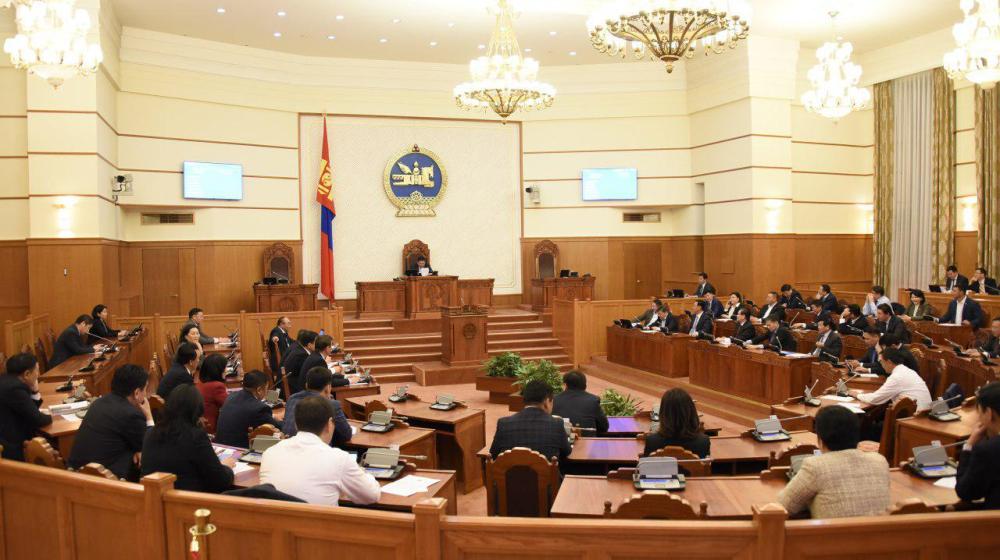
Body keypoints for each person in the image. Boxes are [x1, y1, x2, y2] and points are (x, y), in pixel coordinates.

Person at [260, 395, 380, 506]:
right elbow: (372, 495)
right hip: (318, 522)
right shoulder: (339, 459)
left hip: (276, 521)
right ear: (329, 424)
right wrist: (363, 472)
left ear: (296, 424)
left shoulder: (270, 452)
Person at [777, 405, 890, 519]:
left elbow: (785, 505)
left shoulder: (816, 466)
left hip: (835, 531)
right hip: (881, 530)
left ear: (820, 440)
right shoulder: (879, 461)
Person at [140, 384, 235, 492]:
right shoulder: (195, 436)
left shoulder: (150, 433)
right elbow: (221, 481)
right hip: (186, 500)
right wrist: (227, 467)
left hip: (150, 498)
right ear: (197, 410)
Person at [68, 365, 153, 480]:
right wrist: (149, 416)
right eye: (145, 389)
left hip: (74, 473)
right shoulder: (131, 414)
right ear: (137, 393)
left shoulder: (98, 402)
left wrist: (138, 449)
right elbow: (151, 447)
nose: (146, 395)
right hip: (101, 481)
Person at [489, 380, 571, 462]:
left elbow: (493, 454)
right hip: (544, 470)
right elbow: (567, 452)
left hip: (511, 470)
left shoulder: (504, 423)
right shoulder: (556, 424)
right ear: (546, 401)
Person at [955, 381, 1000, 509]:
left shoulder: (988, 450)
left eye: (979, 412)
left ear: (989, 413)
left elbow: (966, 492)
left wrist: (969, 445)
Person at [0, 353, 52, 461]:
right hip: (10, 448)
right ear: (27, 374)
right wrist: (54, 416)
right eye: (37, 370)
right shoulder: (14, 388)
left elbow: (29, 409)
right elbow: (38, 419)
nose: (38, 374)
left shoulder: (6, 380)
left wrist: (35, 391)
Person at [282, 366, 352, 445]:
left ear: (306, 385)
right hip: (317, 450)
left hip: (288, 447)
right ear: (328, 387)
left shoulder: (292, 398)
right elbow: (346, 434)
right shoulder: (331, 404)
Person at [215, 370, 283, 448]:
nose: (266, 392)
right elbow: (277, 427)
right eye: (266, 389)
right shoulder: (259, 408)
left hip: (220, 446)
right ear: (259, 390)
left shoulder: (231, 396)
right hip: (240, 449)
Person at [854, 347, 932, 412]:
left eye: (881, 362)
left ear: (889, 362)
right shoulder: (907, 370)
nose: (881, 365)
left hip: (915, 417)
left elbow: (875, 399)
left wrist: (856, 394)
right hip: (923, 412)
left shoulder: (897, 376)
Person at [642, 388, 710, 459]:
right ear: (691, 412)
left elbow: (646, 465)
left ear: (663, 413)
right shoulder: (703, 442)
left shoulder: (652, 441)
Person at [196, 353, 229, 433]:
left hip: (200, 426)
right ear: (218, 370)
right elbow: (230, 404)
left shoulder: (200, 383)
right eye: (225, 368)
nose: (226, 371)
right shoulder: (216, 386)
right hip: (211, 428)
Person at [281, 330, 317, 395]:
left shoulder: (299, 349)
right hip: (295, 389)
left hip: (291, 384)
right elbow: (310, 374)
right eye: (316, 343)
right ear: (309, 345)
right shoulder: (302, 355)